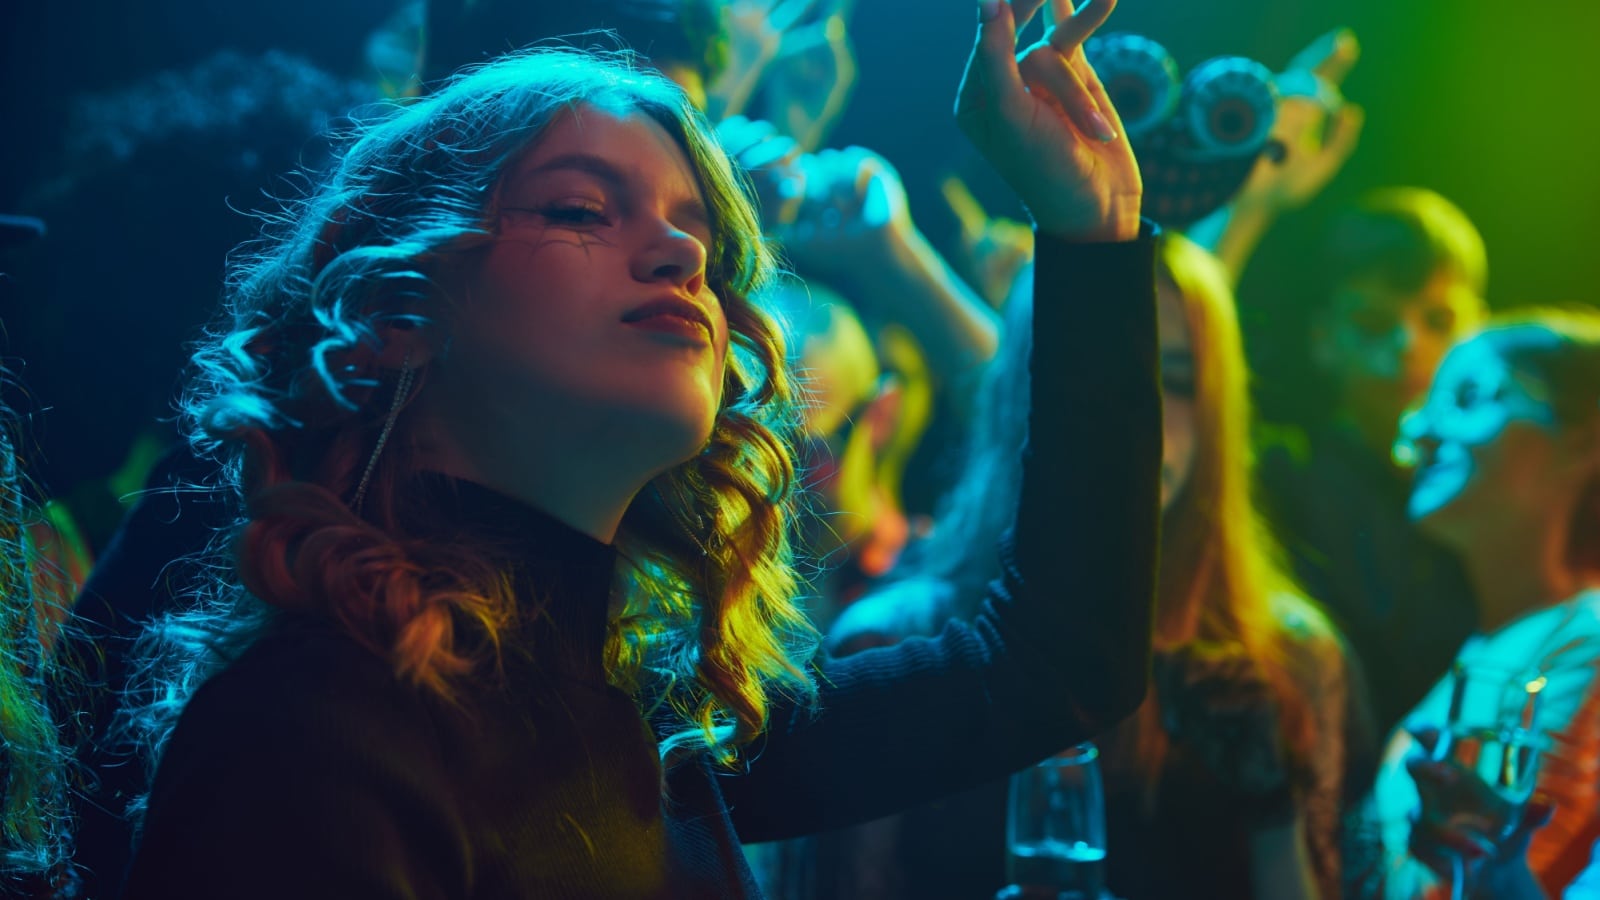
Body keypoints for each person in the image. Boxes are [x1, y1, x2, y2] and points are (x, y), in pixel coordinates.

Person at [116, 1, 1161, 895]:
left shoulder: (654, 724)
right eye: (580, 208)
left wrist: (1091, 231)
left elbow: (1059, 667)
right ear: (396, 313)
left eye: (697, 239)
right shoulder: (308, 738)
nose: (675, 253)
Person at [785, 234, 1354, 900]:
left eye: (1172, 381)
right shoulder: (894, 641)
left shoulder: (1288, 656)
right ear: (1028, 397)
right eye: (1100, 380)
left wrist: (1274, 815)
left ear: (1218, 409)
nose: (1138, 422)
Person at [1349, 309, 1600, 899]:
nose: (1425, 434)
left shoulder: (1584, 647)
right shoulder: (1504, 642)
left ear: (1586, 441)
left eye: (1468, 399)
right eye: (1426, 410)